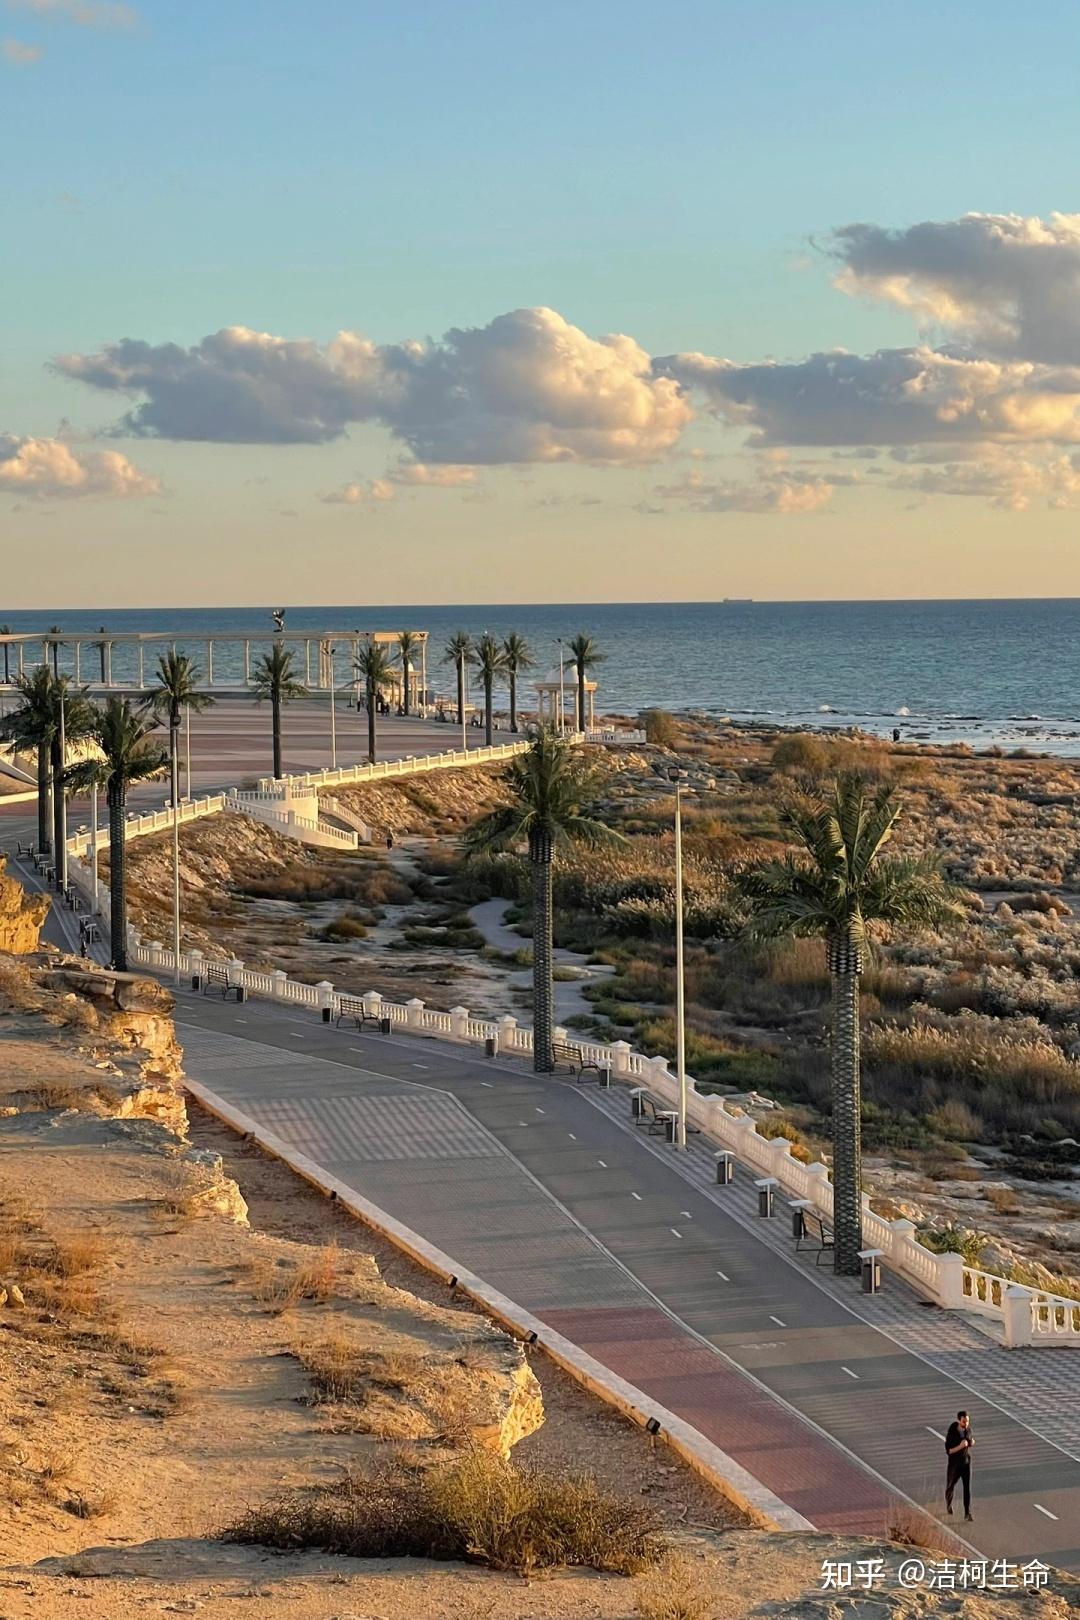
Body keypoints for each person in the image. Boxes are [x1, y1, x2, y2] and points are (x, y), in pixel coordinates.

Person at [944, 1410, 974, 1520]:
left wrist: (971, 1442)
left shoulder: (968, 1430)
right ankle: (948, 1504)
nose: (966, 1424)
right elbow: (949, 1451)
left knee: (967, 1488)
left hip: (965, 1463)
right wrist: (960, 1446)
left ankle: (968, 1513)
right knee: (951, 1486)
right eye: (963, 1422)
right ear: (958, 1421)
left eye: (967, 1422)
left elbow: (970, 1440)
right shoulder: (952, 1433)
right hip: (955, 1465)